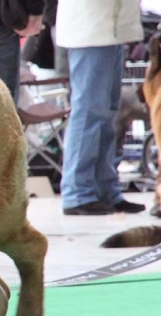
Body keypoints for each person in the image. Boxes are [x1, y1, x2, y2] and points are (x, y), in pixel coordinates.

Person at [56, 0, 145, 215]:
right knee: (89, 112)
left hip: (113, 30)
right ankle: (78, 194)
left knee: (109, 114)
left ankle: (105, 190)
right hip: (89, 30)